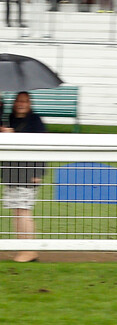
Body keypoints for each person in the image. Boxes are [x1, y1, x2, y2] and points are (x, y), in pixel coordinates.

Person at [1, 92, 46, 263]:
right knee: (16, 210)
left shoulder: (35, 121)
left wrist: (38, 173)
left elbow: (43, 147)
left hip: (28, 173)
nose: (21, 104)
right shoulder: (8, 119)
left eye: (25, 101)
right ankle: (22, 247)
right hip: (11, 173)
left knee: (24, 210)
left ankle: (30, 249)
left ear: (29, 103)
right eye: (19, 101)